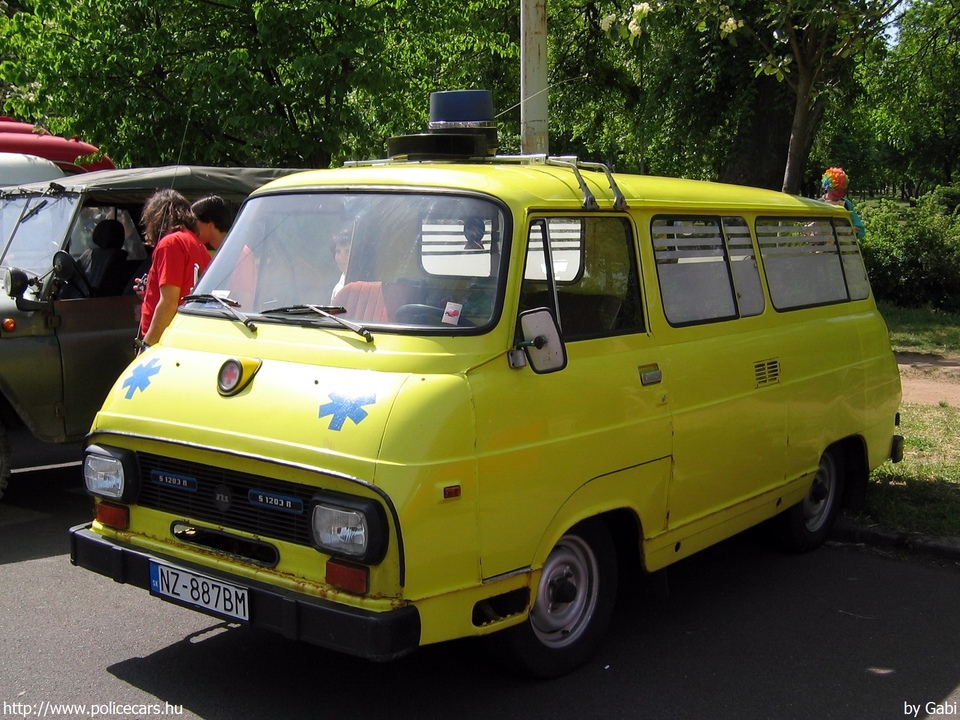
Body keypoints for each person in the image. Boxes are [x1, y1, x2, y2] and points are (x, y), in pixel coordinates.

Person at [137, 189, 211, 349]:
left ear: (156, 217)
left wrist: (147, 345)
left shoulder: (170, 243)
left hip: (166, 340)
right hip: (187, 335)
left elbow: (169, 303)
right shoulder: (197, 244)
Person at [821, 166, 865, 239]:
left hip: (844, 246)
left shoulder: (847, 204)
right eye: (837, 189)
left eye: (842, 189)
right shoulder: (818, 203)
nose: (840, 193)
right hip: (823, 247)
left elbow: (860, 229)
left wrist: (855, 230)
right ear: (828, 187)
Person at [330, 228, 352, 302]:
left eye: (347, 251)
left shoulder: (369, 285)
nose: (341, 257)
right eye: (338, 252)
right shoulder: (337, 288)